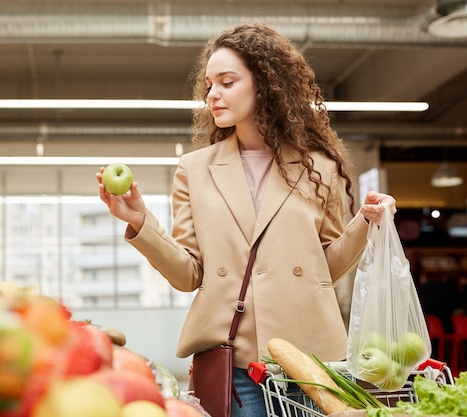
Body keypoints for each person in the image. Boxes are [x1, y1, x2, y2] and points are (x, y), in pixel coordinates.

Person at [96, 22, 396, 417]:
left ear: (265, 84)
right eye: (209, 84)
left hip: (312, 364)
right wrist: (140, 221)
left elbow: (325, 269)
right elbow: (189, 274)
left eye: (227, 82)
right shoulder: (194, 169)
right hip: (236, 365)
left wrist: (366, 222)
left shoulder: (319, 168)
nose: (213, 95)